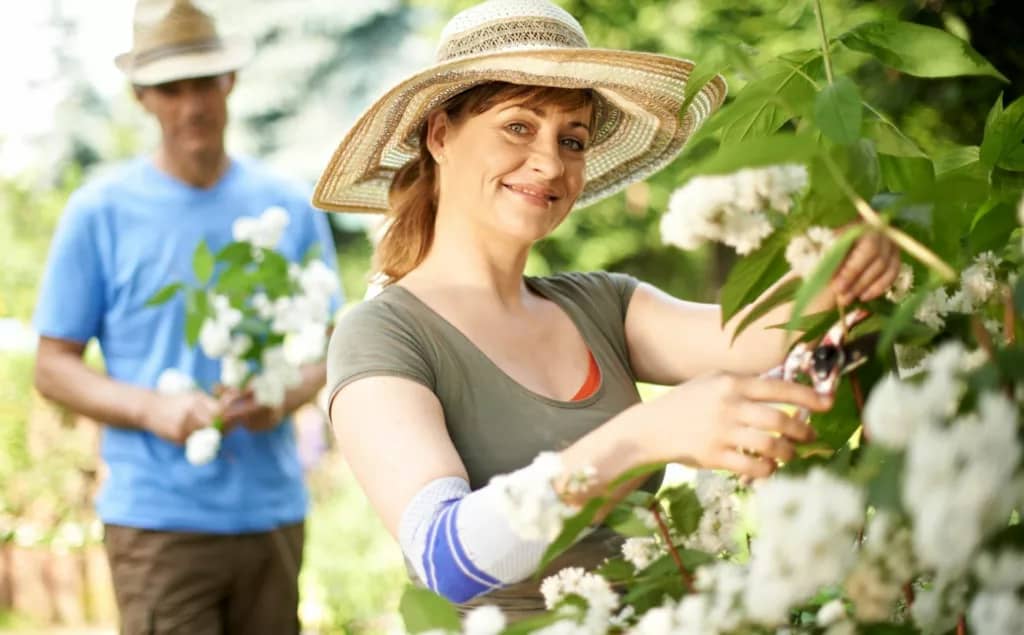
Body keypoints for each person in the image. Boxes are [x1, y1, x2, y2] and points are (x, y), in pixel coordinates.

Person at [318, 0, 900, 617]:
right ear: (440, 134)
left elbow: (780, 335)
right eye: (518, 126)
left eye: (572, 140)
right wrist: (648, 434)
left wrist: (849, 269)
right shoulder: (382, 336)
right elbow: (444, 558)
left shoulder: (603, 306)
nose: (550, 163)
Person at [32, 1, 342, 633]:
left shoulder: (287, 207)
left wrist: (282, 396)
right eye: (171, 90)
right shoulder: (100, 212)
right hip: (158, 525)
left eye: (204, 83)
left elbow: (333, 346)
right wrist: (153, 409)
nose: (192, 105)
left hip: (272, 515)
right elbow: (53, 368)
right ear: (142, 97)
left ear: (230, 82)